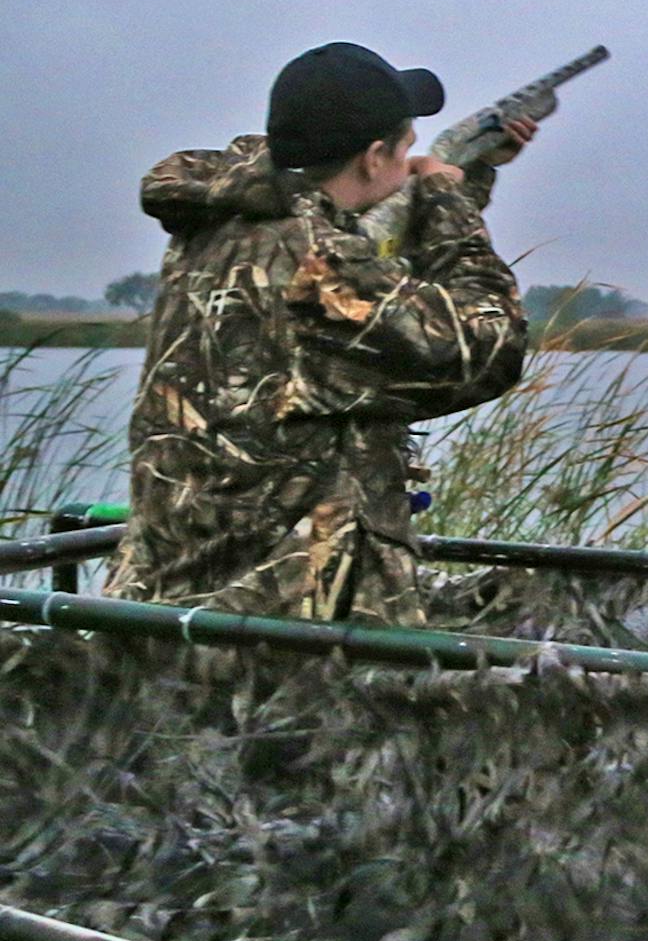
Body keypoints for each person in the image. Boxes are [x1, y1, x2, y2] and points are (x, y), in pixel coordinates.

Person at [108, 42, 535, 625]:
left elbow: (379, 276)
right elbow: (487, 346)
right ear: (373, 155)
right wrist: (445, 197)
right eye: (407, 147)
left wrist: (476, 168)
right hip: (279, 623)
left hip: (176, 591)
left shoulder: (223, 223)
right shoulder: (321, 270)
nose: (413, 160)